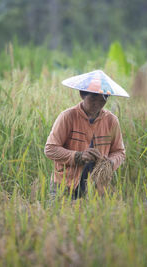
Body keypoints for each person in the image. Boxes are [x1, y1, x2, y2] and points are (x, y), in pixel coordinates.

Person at [44, 70, 128, 199]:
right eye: (93, 98)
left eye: (103, 99)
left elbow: (119, 152)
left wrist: (109, 163)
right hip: (64, 185)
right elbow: (50, 149)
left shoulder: (111, 121)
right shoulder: (68, 117)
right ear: (82, 95)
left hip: (96, 188)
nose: (98, 103)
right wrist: (78, 156)